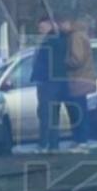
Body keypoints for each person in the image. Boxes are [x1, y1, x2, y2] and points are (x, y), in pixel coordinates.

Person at [63, 16, 96, 150]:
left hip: (78, 79)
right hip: (84, 78)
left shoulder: (75, 37)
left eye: (63, 23)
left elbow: (77, 59)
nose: (61, 26)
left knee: (78, 111)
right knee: (80, 110)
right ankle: (81, 140)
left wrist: (63, 62)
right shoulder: (82, 35)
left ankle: (81, 140)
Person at [30, 16, 61, 151]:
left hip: (47, 83)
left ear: (50, 26)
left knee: (45, 114)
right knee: (52, 115)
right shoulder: (54, 41)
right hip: (51, 83)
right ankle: (53, 144)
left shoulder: (49, 42)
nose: (39, 30)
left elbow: (44, 62)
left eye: (42, 27)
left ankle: (44, 143)